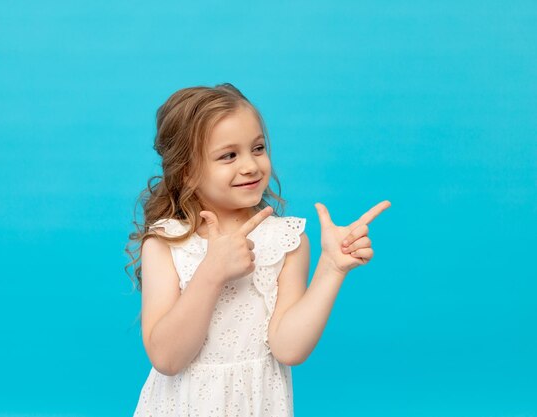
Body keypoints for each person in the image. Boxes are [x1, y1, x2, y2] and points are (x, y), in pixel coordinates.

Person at [126, 83, 390, 416]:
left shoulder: (286, 241)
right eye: (229, 155)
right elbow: (167, 358)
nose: (251, 165)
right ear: (188, 172)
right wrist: (212, 272)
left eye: (258, 148)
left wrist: (331, 269)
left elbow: (288, 348)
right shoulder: (167, 242)